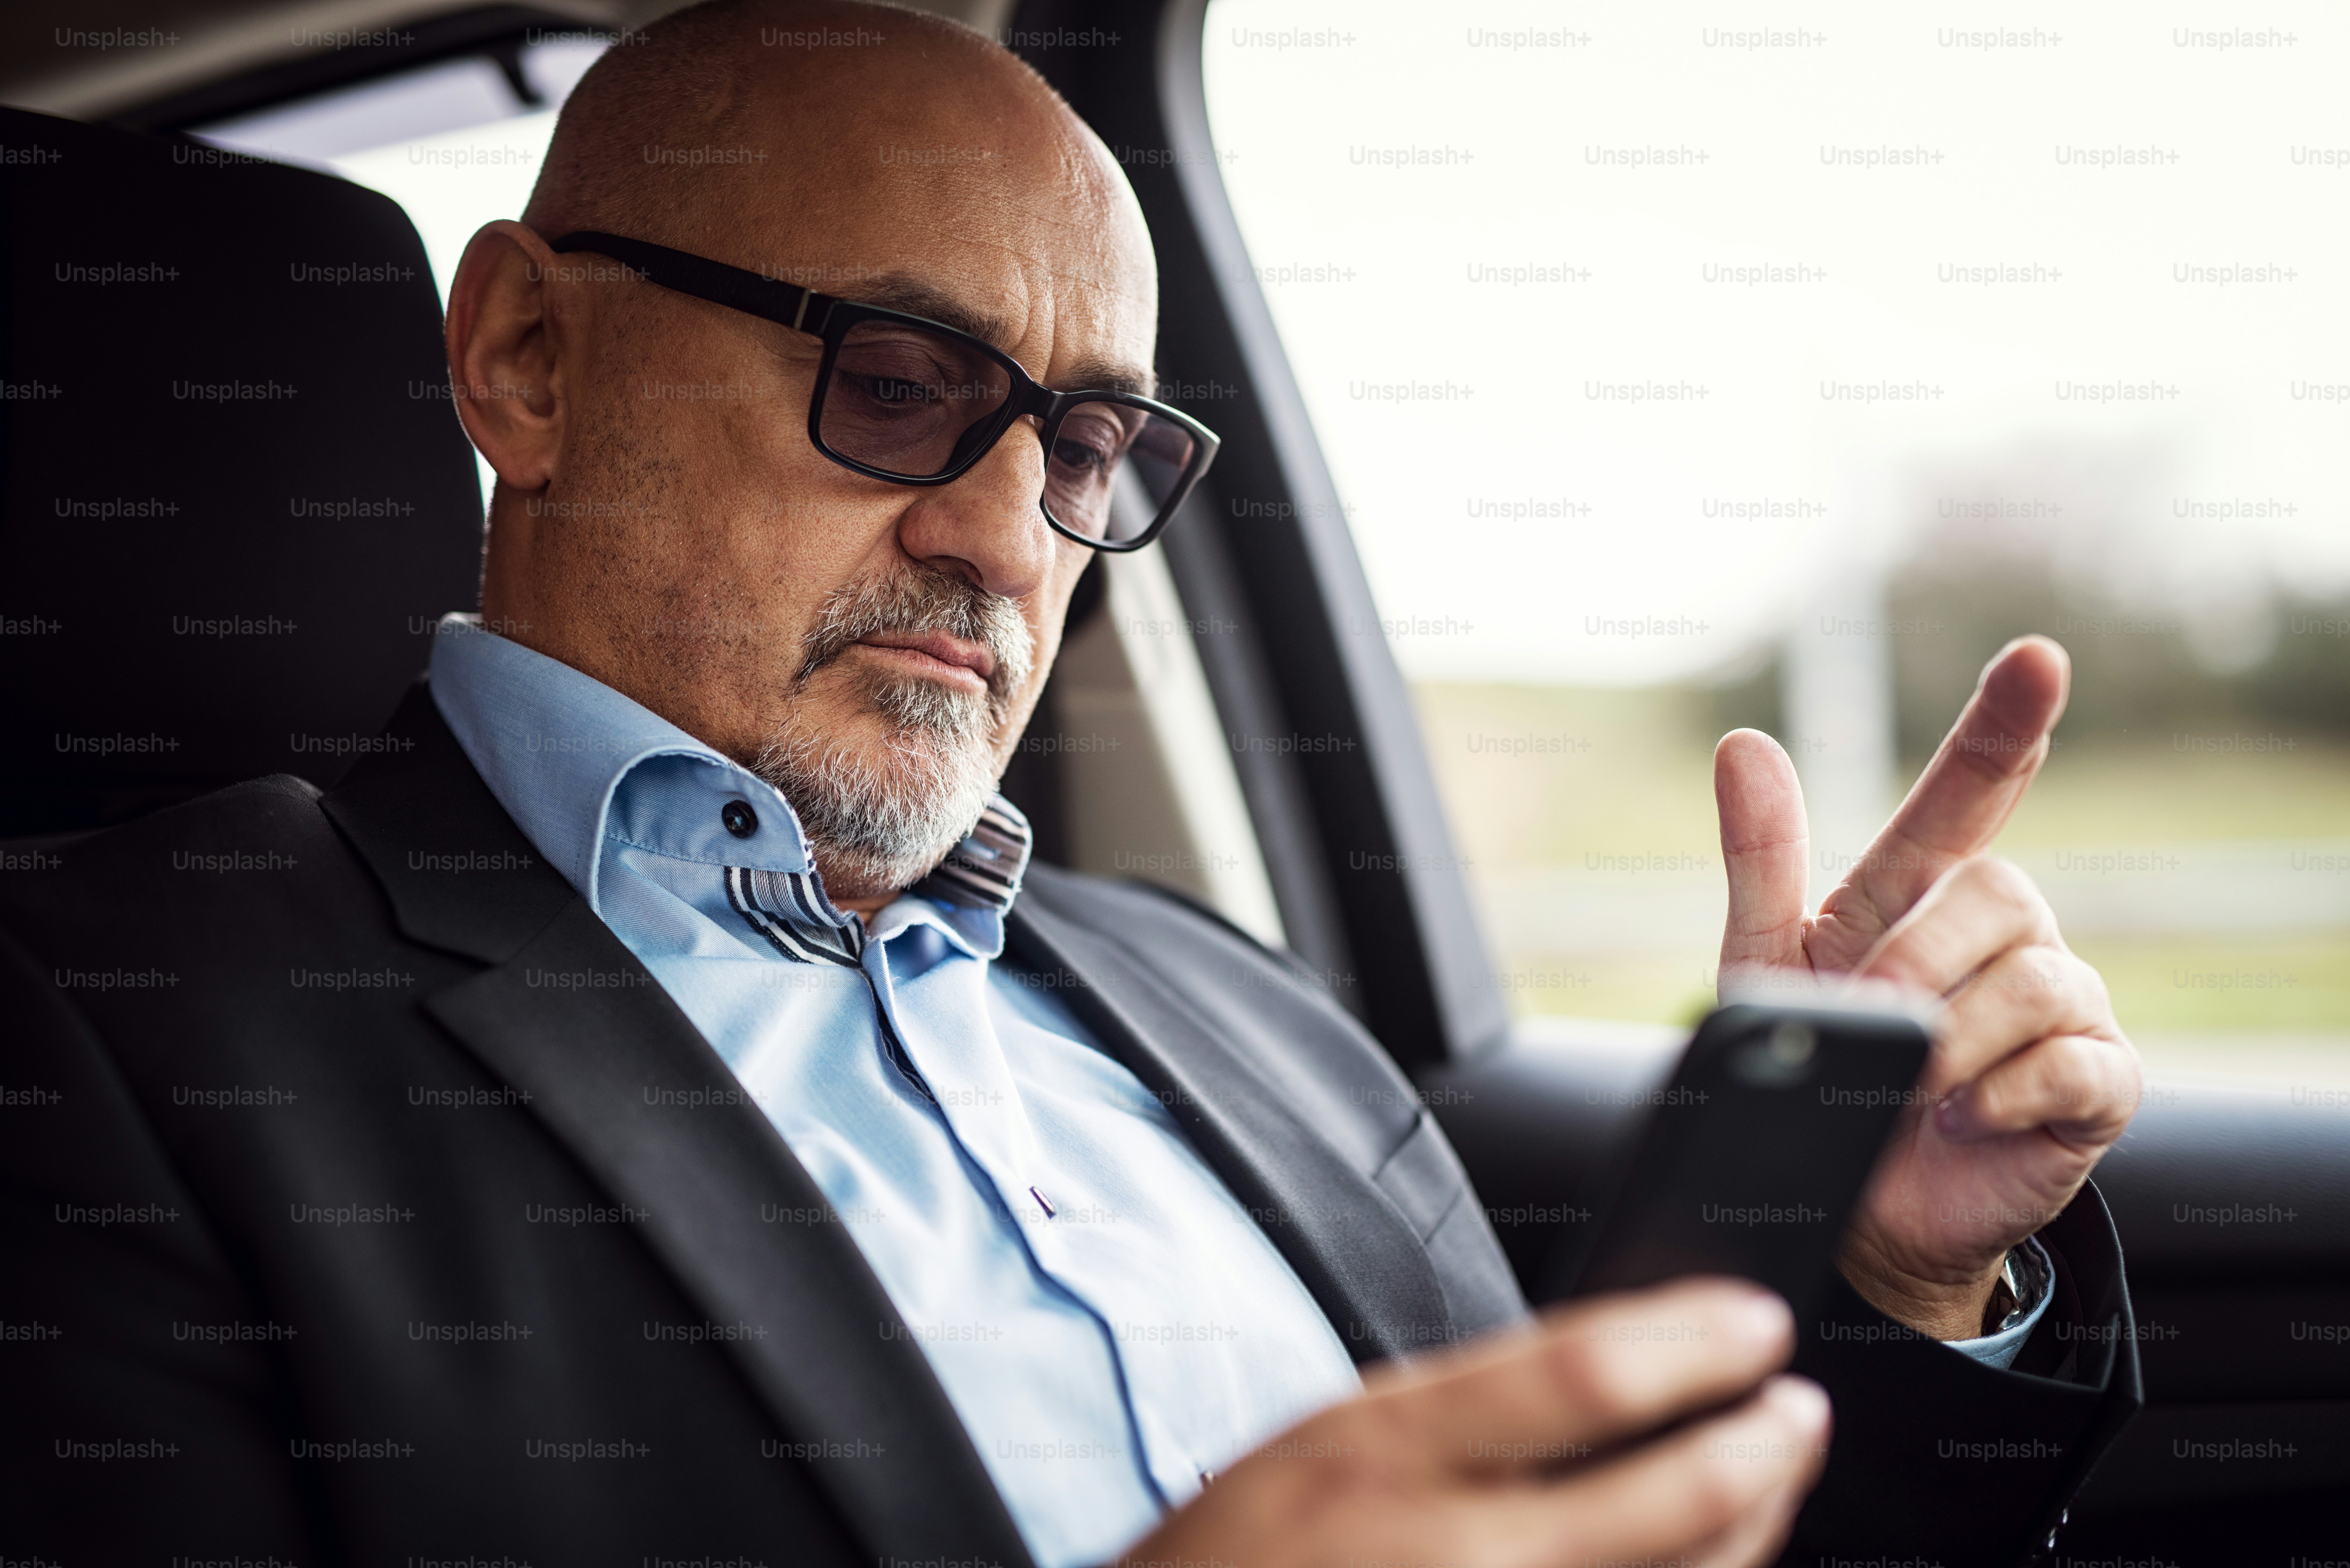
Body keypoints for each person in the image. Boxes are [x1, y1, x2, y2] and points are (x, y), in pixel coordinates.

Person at [0, 4, 2142, 1565]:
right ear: (528, 361)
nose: (1012, 542)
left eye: (1089, 448)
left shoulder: (1232, 999)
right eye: (899, 385)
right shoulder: (109, 1036)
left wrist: (1886, 1288)